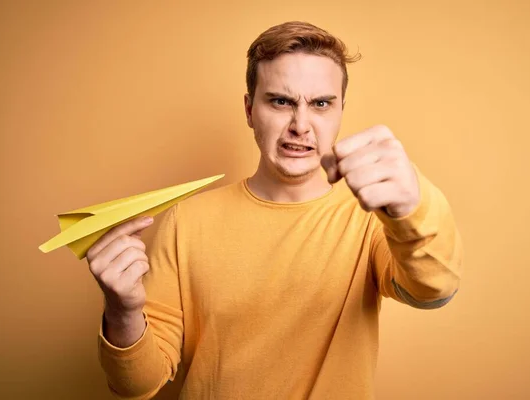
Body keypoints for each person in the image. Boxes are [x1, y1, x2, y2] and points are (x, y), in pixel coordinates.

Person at [87, 21, 463, 399]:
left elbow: (433, 291)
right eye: (281, 101)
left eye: (320, 104)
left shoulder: (370, 217)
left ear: (340, 111)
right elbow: (136, 384)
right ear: (250, 110)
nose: (301, 125)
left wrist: (412, 208)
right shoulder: (188, 221)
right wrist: (122, 312)